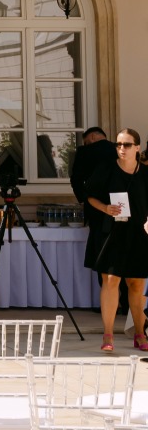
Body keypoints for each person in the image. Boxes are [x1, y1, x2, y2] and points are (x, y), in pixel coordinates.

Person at [86, 127, 148, 352]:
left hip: (139, 234)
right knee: (111, 279)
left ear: (137, 148)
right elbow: (89, 195)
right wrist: (104, 207)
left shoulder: (146, 174)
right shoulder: (106, 169)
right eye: (119, 144)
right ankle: (108, 335)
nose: (121, 148)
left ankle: (140, 334)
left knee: (136, 283)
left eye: (127, 145)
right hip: (112, 232)